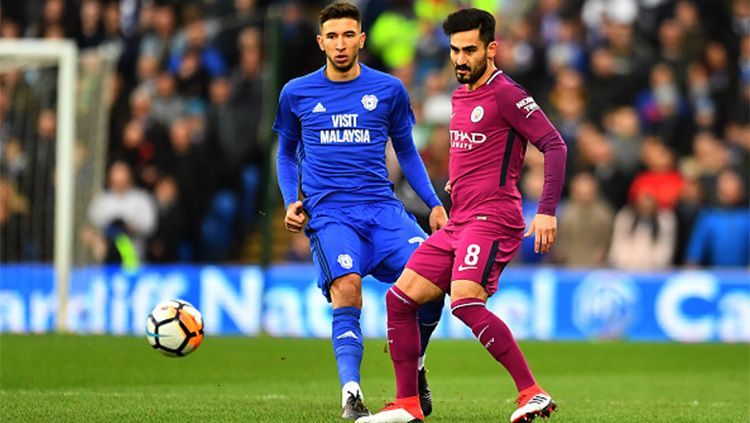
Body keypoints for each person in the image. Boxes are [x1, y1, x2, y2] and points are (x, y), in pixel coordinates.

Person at [358, 8, 566, 423]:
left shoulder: (507, 92)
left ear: (491, 49)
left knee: (466, 301)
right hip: (459, 219)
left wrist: (545, 212)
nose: (460, 59)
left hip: (494, 218)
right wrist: (456, 186)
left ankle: (532, 392)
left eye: (469, 50)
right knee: (399, 300)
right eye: (454, 50)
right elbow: (476, 148)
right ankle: (408, 405)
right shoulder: (458, 94)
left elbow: (554, 145)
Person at [272, 2, 448, 419]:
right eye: (332, 36)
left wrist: (435, 204)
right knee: (347, 288)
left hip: (384, 210)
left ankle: (416, 367)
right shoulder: (296, 92)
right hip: (331, 213)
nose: (340, 43)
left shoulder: (388, 89)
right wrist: (289, 201)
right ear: (320, 42)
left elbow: (406, 151)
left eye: (348, 34)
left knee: (434, 282)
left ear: (362, 39)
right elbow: (285, 154)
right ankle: (352, 393)